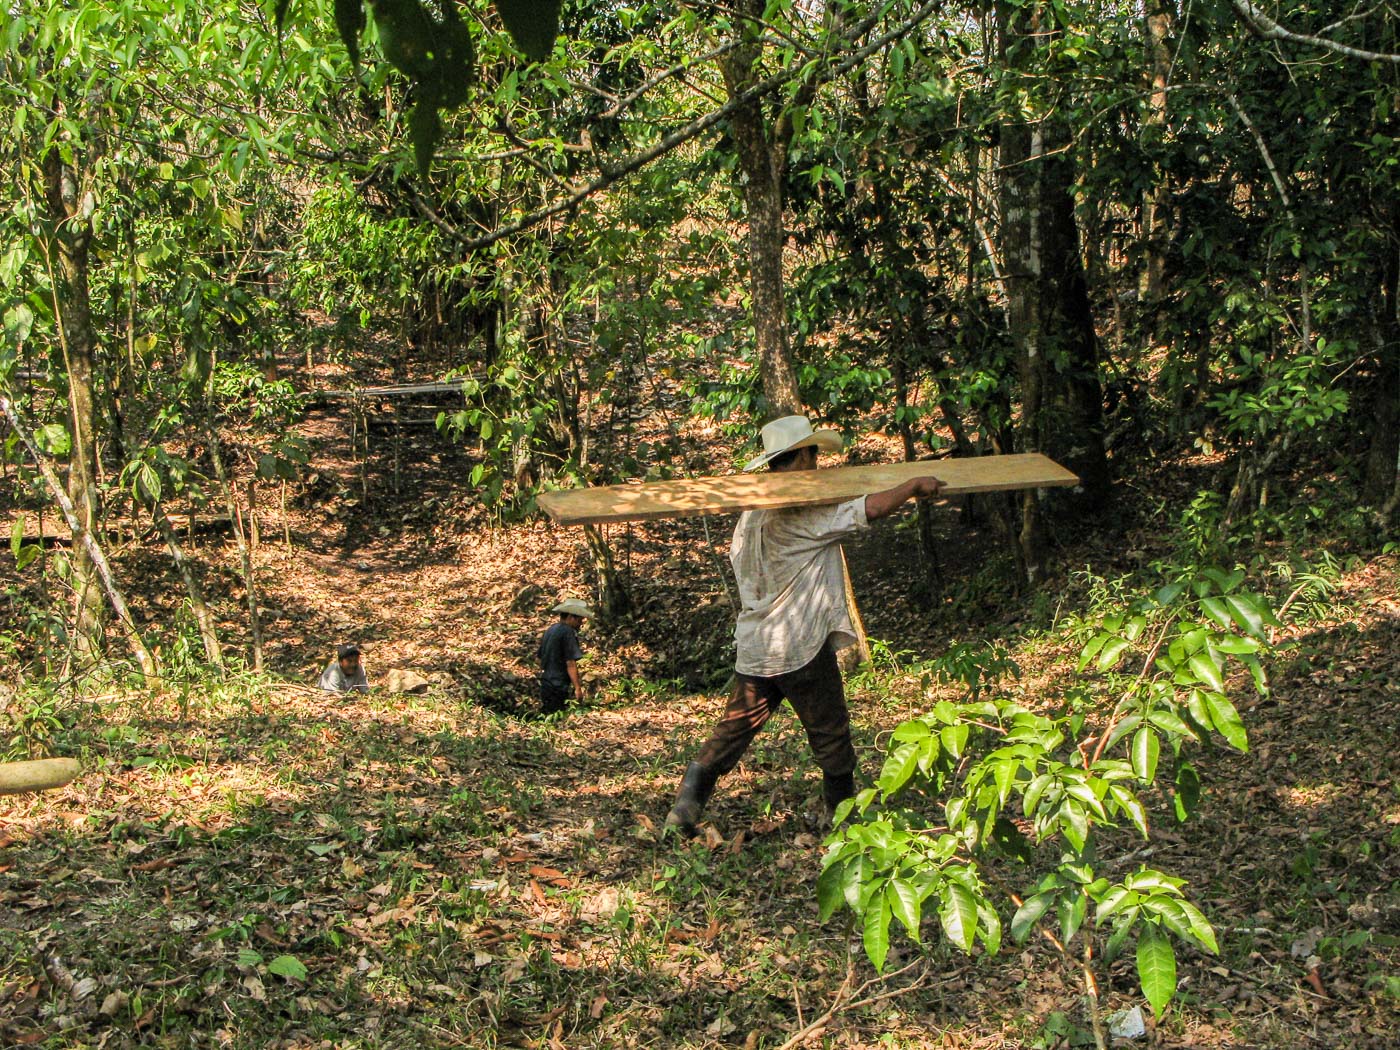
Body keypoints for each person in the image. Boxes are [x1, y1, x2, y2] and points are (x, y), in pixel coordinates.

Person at [665, 414, 944, 836]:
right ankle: (843, 820)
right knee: (830, 732)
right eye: (813, 455)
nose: (817, 464)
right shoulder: (802, 515)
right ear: (799, 458)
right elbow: (867, 509)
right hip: (800, 646)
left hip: (757, 646)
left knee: (732, 732)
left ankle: (683, 812)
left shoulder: (751, 513)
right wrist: (912, 486)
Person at [538, 598, 593, 715]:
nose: (580, 624)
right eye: (579, 620)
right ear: (570, 617)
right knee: (558, 716)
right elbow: (570, 663)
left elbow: (540, 657)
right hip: (558, 685)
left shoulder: (550, 630)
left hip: (546, 683)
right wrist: (577, 688)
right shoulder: (568, 632)